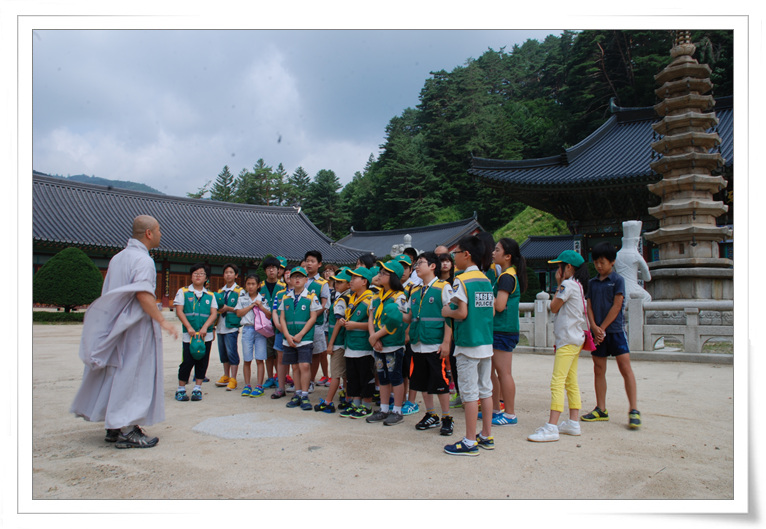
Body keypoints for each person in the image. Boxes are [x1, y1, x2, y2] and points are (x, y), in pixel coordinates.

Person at [71, 215, 178, 448]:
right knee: (133, 375)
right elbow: (143, 294)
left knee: (116, 373)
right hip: (135, 329)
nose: (161, 234)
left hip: (116, 326)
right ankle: (128, 429)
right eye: (159, 230)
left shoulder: (118, 258)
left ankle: (114, 426)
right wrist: (163, 320)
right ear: (149, 233)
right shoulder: (144, 260)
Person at [527, 250, 589, 443]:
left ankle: (552, 426)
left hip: (568, 340)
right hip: (575, 339)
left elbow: (553, 307)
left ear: (568, 268)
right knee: (571, 382)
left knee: (557, 382)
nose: (557, 270)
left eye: (559, 267)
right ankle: (573, 422)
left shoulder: (567, 284)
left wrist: (558, 283)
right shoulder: (577, 285)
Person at [441, 236, 495, 456]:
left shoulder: (461, 280)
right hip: (485, 341)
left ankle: (469, 441)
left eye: (456, 253)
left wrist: (447, 312)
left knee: (470, 393)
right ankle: (486, 435)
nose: (453, 258)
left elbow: (461, 312)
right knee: (486, 390)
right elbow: (490, 311)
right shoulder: (485, 279)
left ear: (467, 254)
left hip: (467, 343)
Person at [584, 242, 641, 429]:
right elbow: (589, 306)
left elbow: (617, 306)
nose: (599, 266)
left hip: (615, 331)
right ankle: (601, 408)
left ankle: (633, 409)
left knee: (625, 368)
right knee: (598, 369)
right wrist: (593, 326)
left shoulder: (618, 280)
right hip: (598, 332)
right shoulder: (592, 283)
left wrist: (602, 328)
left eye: (602, 262)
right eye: (596, 262)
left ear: (612, 262)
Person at [409, 252, 455, 436]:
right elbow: (409, 316)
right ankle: (431, 414)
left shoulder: (444, 287)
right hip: (417, 343)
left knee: (440, 382)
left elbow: (449, 317)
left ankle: (446, 417)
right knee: (422, 382)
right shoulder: (413, 290)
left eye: (420, 263)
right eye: (416, 263)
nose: (416, 267)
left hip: (435, 343)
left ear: (432, 266)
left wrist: (446, 343)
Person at [365, 260, 411, 426]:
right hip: (378, 343)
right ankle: (384, 409)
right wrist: (373, 336)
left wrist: (376, 335)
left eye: (384, 273)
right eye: (380, 272)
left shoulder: (399, 297)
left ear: (393, 277)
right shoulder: (376, 295)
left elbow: (395, 321)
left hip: (392, 343)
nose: (379, 275)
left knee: (395, 376)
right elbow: (371, 317)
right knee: (383, 376)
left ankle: (397, 410)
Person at [488, 238, 527, 426]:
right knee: (492, 373)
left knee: (503, 373)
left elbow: (500, 306)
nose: (493, 253)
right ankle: (496, 409)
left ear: (508, 256)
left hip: (502, 330)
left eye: (497, 250)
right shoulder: (506, 274)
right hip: (500, 329)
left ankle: (510, 413)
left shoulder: (506, 276)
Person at [174, 263, 218, 403]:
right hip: (190, 335)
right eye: (195, 273)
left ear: (206, 278)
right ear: (191, 276)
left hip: (206, 335)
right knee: (187, 361)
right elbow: (179, 311)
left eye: (201, 274)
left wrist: (205, 327)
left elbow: (213, 313)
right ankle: (181, 389)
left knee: (202, 361)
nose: (198, 276)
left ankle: (197, 388)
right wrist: (188, 327)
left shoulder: (210, 295)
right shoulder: (184, 292)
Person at [280, 266, 322, 411]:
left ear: (306, 279)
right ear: (290, 279)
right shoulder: (286, 297)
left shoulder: (311, 297)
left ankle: (305, 394)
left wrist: (301, 334)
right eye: (294, 277)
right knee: (295, 366)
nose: (297, 279)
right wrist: (286, 334)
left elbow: (313, 317)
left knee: (304, 365)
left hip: (304, 337)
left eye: (300, 277)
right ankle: (297, 393)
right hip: (289, 337)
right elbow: (282, 318)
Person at [338, 267, 376, 419]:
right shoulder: (352, 298)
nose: (351, 281)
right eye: (351, 278)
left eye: (355, 278)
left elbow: (374, 323)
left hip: (364, 347)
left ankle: (366, 405)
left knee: (365, 376)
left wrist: (355, 325)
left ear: (364, 281)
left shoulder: (371, 299)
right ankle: (355, 403)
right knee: (352, 377)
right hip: (351, 345)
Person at [317, 267, 353, 413]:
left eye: (340, 282)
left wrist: (330, 343)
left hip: (338, 342)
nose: (336, 284)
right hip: (343, 342)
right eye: (336, 281)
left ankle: (328, 402)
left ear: (348, 284)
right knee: (344, 374)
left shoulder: (341, 300)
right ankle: (347, 399)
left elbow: (339, 322)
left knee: (336, 374)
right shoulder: (346, 297)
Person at [236, 274, 271, 397]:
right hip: (247, 329)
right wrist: (251, 306)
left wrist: (260, 306)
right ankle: (247, 385)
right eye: (248, 284)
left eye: (253, 284)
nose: (250, 286)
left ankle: (259, 386)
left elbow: (269, 315)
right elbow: (238, 313)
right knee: (247, 359)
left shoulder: (263, 299)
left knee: (260, 358)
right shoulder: (242, 299)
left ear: (258, 285)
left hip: (260, 331)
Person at [304, 250, 331, 392]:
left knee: (315, 354)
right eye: (307, 261)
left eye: (312, 261)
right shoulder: (300, 279)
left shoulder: (322, 283)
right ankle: (301, 380)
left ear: (319, 264)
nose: (309, 264)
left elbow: (325, 304)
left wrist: (312, 315)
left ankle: (310, 381)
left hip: (316, 324)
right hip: (300, 324)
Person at [214, 263, 243, 391]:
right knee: (223, 352)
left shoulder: (240, 291)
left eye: (231, 272)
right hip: (220, 325)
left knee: (232, 351)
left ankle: (233, 378)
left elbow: (242, 309)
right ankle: (226, 375)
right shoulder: (220, 291)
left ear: (236, 275)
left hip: (231, 326)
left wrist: (228, 308)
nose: (228, 274)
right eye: (226, 272)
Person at [259, 256, 283, 388]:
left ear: (278, 270)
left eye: (274, 268)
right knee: (268, 354)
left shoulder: (283, 287)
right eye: (268, 268)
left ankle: (280, 377)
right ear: (265, 271)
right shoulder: (260, 287)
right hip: (264, 326)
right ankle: (269, 377)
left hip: (279, 326)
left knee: (279, 354)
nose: (271, 270)